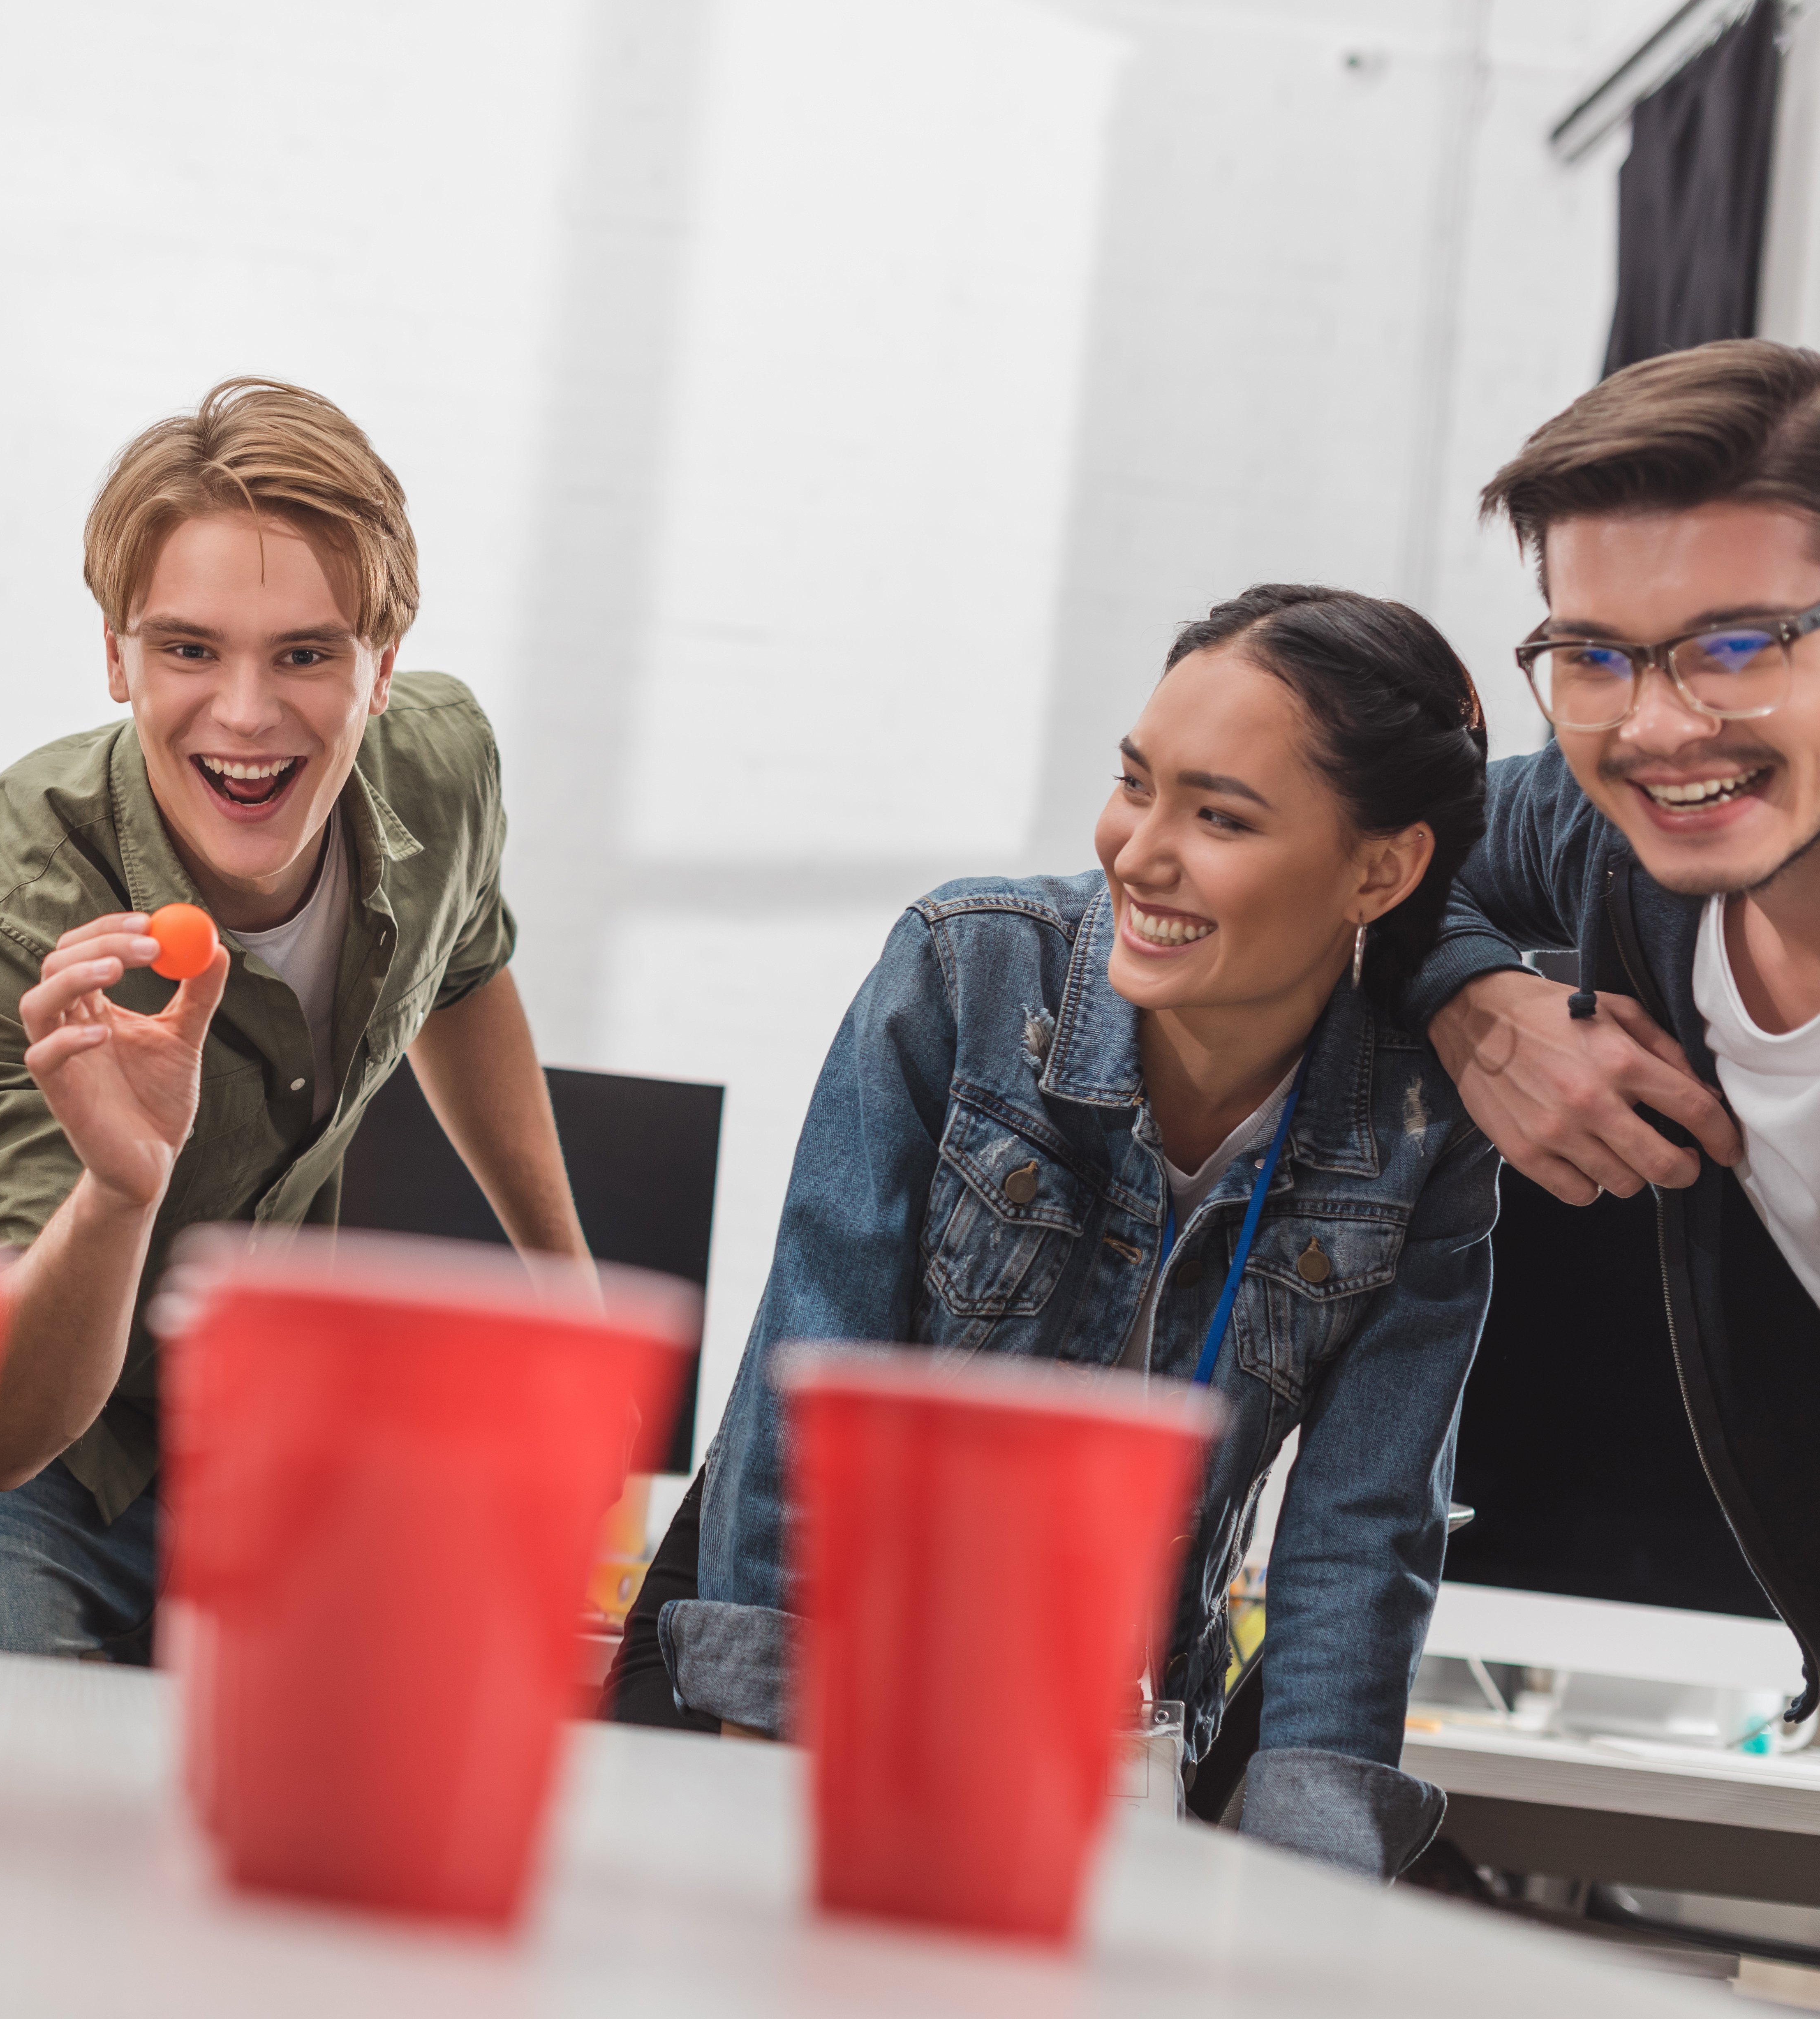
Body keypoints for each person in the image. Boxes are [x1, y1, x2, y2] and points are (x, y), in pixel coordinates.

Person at [636, 584, 1497, 1883]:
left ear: (1381, 868)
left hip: (1102, 1721)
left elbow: (1363, 1537)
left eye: (1219, 816)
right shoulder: (968, 972)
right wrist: (768, 1770)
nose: (1139, 851)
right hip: (795, 1671)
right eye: (1136, 783)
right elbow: (806, 1380)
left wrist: (1304, 1907)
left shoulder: (1427, 1131)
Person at [0, 378, 592, 1661]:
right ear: (116, 655)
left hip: (241, 1438)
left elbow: (464, 966)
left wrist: (566, 1290)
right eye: (189, 649)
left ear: (385, 662)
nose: (249, 716)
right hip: (13, 1461)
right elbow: (3, 1426)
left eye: (307, 654)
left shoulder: (445, 764)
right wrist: (120, 1187)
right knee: (3, 1804)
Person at [1405, 337, 1820, 1730]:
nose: (1658, 727)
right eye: (1594, 655)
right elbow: (1368, 850)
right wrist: (1480, 1002)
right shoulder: (1615, 850)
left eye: (1737, 646)